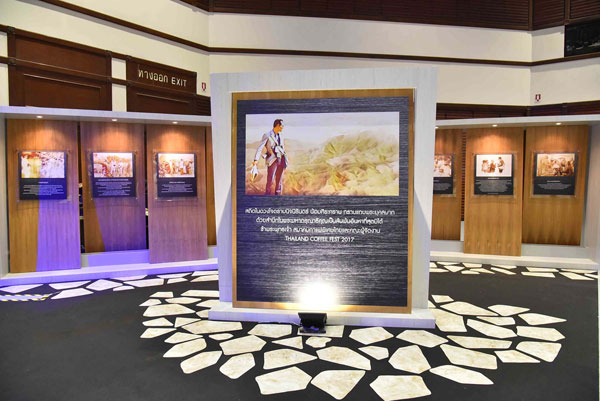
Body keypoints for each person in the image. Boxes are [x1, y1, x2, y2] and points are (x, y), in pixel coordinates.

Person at [251, 119, 287, 195]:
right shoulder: (267, 135)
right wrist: (256, 160)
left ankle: (277, 198)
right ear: (278, 125)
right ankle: (267, 196)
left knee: (279, 181)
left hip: (281, 159)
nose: (283, 127)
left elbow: (282, 148)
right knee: (270, 180)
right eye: (282, 125)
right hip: (272, 160)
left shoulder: (281, 136)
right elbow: (260, 148)